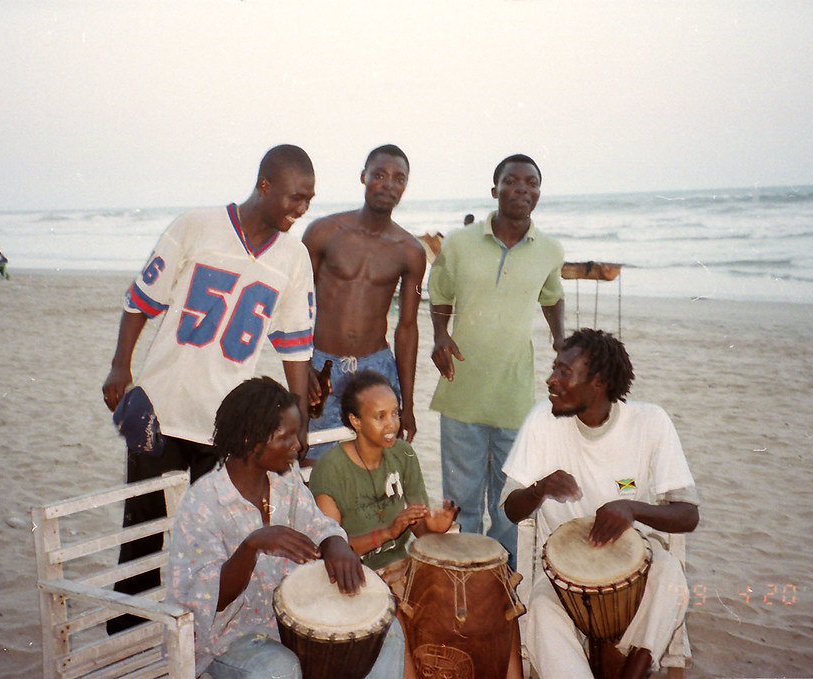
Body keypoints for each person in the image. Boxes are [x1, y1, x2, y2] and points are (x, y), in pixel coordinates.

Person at [101, 144, 318, 632]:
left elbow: (295, 346)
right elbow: (141, 301)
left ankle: (199, 639)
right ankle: (128, 634)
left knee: (212, 536)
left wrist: (300, 419)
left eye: (309, 200)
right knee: (143, 530)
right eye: (295, 197)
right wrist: (120, 365)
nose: (301, 209)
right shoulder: (196, 226)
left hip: (226, 424)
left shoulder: (294, 257)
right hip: (161, 407)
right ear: (264, 185)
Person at [167, 376, 405, 678]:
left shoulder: (284, 480)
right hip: (226, 640)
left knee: (387, 632)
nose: (298, 445)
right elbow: (208, 601)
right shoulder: (204, 503)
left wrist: (335, 543)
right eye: (285, 438)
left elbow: (318, 525)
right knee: (280, 668)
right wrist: (252, 545)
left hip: (287, 622)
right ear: (249, 441)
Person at [501, 329, 700, 679]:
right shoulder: (541, 420)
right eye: (554, 368)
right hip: (561, 576)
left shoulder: (650, 422)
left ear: (599, 383)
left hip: (634, 569)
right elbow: (511, 509)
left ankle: (635, 671)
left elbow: (688, 514)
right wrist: (539, 489)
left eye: (564, 372)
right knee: (542, 611)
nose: (551, 380)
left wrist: (633, 509)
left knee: (670, 574)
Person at [428, 153, 565, 567]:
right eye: (512, 181)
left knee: (508, 504)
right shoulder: (459, 243)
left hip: (514, 397)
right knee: (462, 500)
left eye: (531, 183)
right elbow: (440, 292)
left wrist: (561, 340)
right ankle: (465, 574)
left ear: (539, 193)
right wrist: (439, 334)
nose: (522, 189)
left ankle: (503, 577)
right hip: (462, 390)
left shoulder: (550, 250)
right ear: (495, 189)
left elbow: (552, 296)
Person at [301, 145, 427, 462]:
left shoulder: (410, 251)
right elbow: (295, 305)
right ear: (363, 177)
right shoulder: (323, 232)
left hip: (376, 367)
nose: (388, 185)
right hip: (322, 367)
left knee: (374, 463)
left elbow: (407, 328)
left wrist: (408, 404)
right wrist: (303, 365)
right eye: (379, 175)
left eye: (399, 179)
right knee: (313, 460)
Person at [309, 370, 457, 574]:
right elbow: (330, 549)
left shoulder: (403, 454)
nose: (392, 424)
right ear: (355, 421)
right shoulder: (330, 469)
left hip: (398, 566)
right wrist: (387, 533)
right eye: (381, 416)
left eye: (395, 413)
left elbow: (419, 527)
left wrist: (433, 528)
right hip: (350, 572)